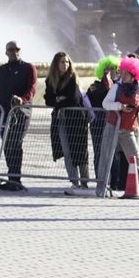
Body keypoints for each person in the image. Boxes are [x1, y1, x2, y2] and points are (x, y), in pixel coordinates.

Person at [0, 40, 37, 191]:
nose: (15, 52)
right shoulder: (2, 70)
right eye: (11, 49)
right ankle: (13, 179)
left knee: (15, 144)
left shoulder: (28, 68)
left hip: (21, 113)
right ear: (6, 52)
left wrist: (22, 100)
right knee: (7, 146)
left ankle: (15, 180)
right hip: (4, 114)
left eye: (17, 49)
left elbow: (32, 89)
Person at [103, 57, 139, 197]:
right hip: (115, 127)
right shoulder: (116, 87)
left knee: (136, 158)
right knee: (107, 158)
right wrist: (120, 106)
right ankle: (102, 187)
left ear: (134, 76)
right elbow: (105, 103)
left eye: (126, 73)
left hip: (131, 128)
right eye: (123, 72)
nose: (123, 76)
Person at [43, 52, 90, 190]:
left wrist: (57, 100)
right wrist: (60, 100)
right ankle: (74, 181)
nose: (65, 64)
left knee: (80, 150)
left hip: (76, 119)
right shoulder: (50, 80)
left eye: (67, 62)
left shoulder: (72, 78)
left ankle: (85, 181)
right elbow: (48, 100)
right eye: (62, 62)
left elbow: (73, 99)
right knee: (66, 150)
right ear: (56, 64)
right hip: (60, 119)